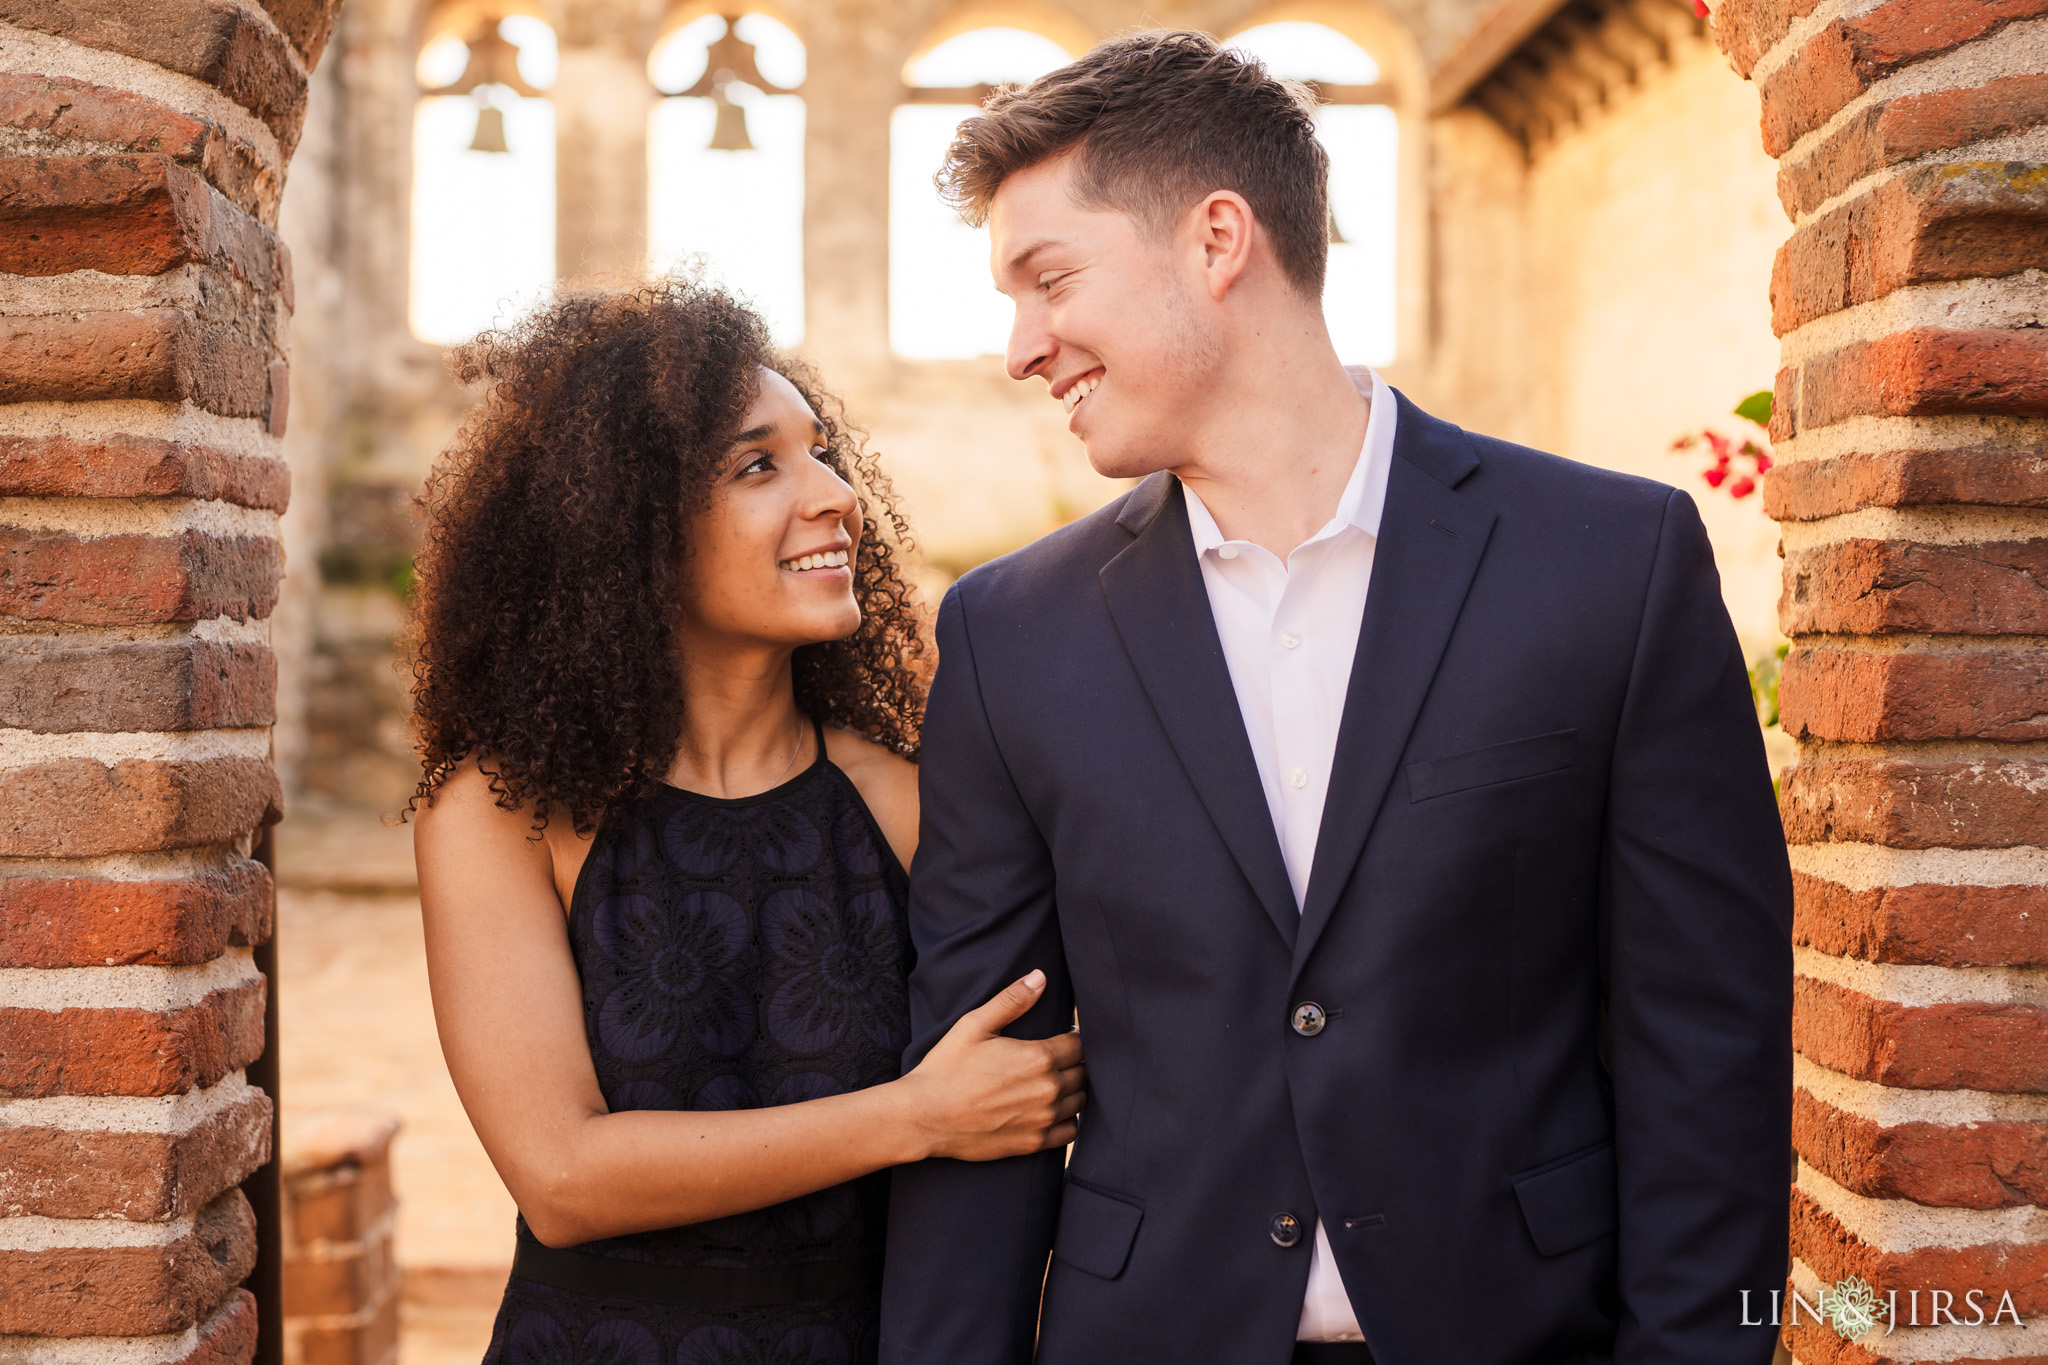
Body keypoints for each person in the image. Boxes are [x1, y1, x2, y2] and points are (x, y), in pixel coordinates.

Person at [880, 31, 1791, 1365]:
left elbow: (1705, 1044)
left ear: (1217, 240)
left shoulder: (1612, 565)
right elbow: (986, 1093)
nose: (1022, 347)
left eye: (1049, 279)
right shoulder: (1012, 634)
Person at [407, 278, 1085, 1365]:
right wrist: (916, 1116)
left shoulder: (910, 798)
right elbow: (563, 1178)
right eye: (755, 464)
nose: (831, 495)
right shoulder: (502, 812)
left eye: (822, 453)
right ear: (620, 527)